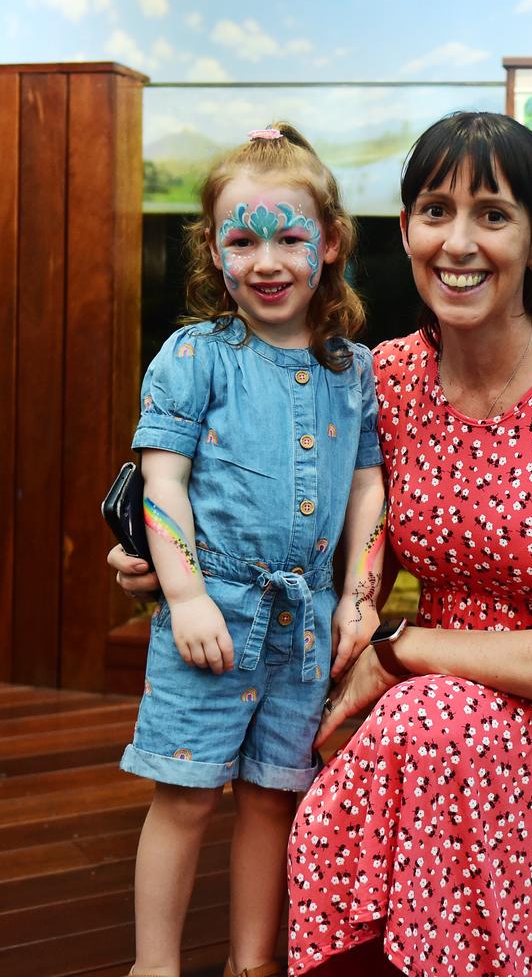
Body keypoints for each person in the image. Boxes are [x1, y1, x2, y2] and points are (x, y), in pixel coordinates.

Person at [112, 112, 532, 977]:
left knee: (433, 723)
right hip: (421, 689)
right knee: (371, 748)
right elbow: (295, 511)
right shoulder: (379, 377)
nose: (459, 241)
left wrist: (398, 656)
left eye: (494, 215)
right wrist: (167, 565)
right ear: (404, 232)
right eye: (436, 211)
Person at [117, 123, 386, 977]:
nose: (266, 260)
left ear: (331, 242)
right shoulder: (195, 357)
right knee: (188, 798)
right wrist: (187, 596)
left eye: (289, 236)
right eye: (242, 238)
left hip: (304, 625)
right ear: (213, 249)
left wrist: (358, 593)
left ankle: (252, 962)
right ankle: (153, 967)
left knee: (275, 798)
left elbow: (366, 489)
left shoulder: (358, 370)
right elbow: (162, 484)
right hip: (215, 614)